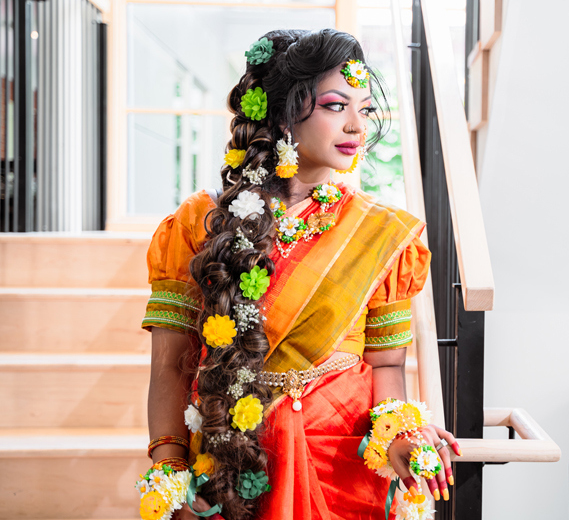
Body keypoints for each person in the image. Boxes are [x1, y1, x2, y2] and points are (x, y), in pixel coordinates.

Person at [139, 28, 461, 520]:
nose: (357, 125)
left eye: (366, 109)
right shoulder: (197, 225)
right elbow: (169, 366)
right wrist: (168, 467)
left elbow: (387, 366)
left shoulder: (382, 234)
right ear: (284, 112)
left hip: (342, 460)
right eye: (336, 106)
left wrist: (400, 433)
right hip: (233, 456)